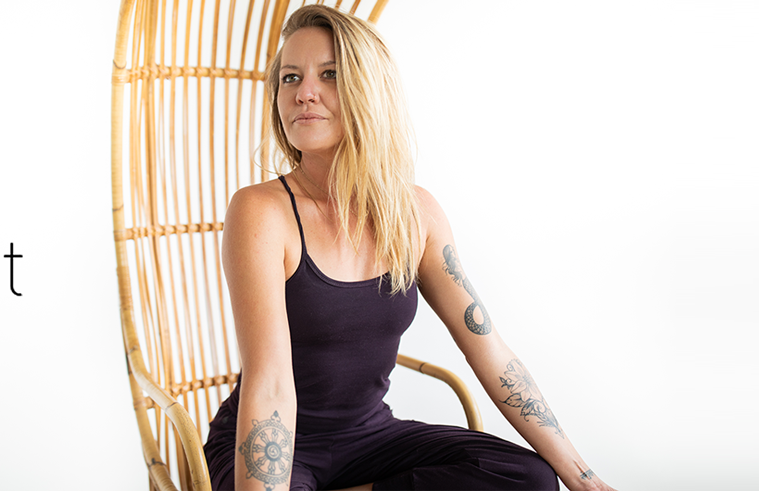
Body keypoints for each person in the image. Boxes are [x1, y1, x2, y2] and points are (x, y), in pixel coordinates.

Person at [202, 5, 616, 491]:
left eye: (329, 74)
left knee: (529, 478)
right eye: (290, 78)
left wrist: (583, 477)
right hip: (276, 443)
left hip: (371, 438)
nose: (303, 93)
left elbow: (490, 352)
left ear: (370, 89)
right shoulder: (261, 212)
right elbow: (270, 385)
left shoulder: (416, 214)